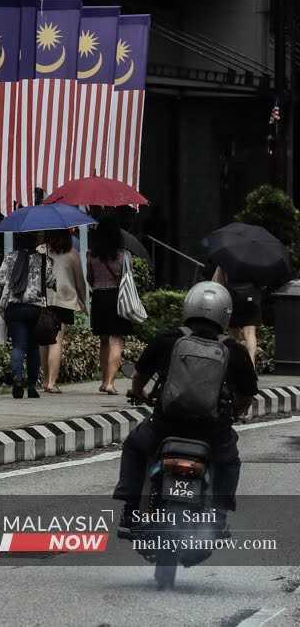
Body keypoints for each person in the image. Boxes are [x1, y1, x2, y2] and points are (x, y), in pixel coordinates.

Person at [113, 282, 257, 534]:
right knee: (229, 462)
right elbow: (247, 393)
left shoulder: (168, 339)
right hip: (212, 432)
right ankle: (220, 516)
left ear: (188, 305)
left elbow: (140, 375)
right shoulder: (234, 350)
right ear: (225, 313)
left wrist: (139, 394)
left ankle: (131, 509)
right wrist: (235, 413)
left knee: (134, 446)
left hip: (166, 425)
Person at [0, 231, 57, 399]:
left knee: (18, 346)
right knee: (33, 348)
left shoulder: (9, 258)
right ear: (34, 241)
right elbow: (51, 281)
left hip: (14, 308)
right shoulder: (43, 260)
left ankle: (17, 378)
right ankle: (31, 386)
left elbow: (1, 280)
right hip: (35, 308)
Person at [40, 229, 87, 393]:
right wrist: (83, 301)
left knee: (44, 342)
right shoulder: (72, 254)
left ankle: (45, 380)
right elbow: (80, 281)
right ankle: (52, 382)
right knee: (57, 341)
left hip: (43, 300)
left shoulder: (40, 250)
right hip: (64, 301)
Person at [88, 217, 130, 394]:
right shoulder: (123, 256)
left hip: (98, 297)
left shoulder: (91, 255)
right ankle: (110, 383)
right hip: (116, 298)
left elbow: (90, 278)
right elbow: (127, 280)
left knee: (103, 340)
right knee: (116, 340)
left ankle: (104, 380)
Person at [212, 266, 260, 364]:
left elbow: (217, 283)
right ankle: (251, 364)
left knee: (233, 335)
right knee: (250, 333)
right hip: (251, 297)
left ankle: (235, 363)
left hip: (233, 298)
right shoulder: (256, 259)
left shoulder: (226, 258)